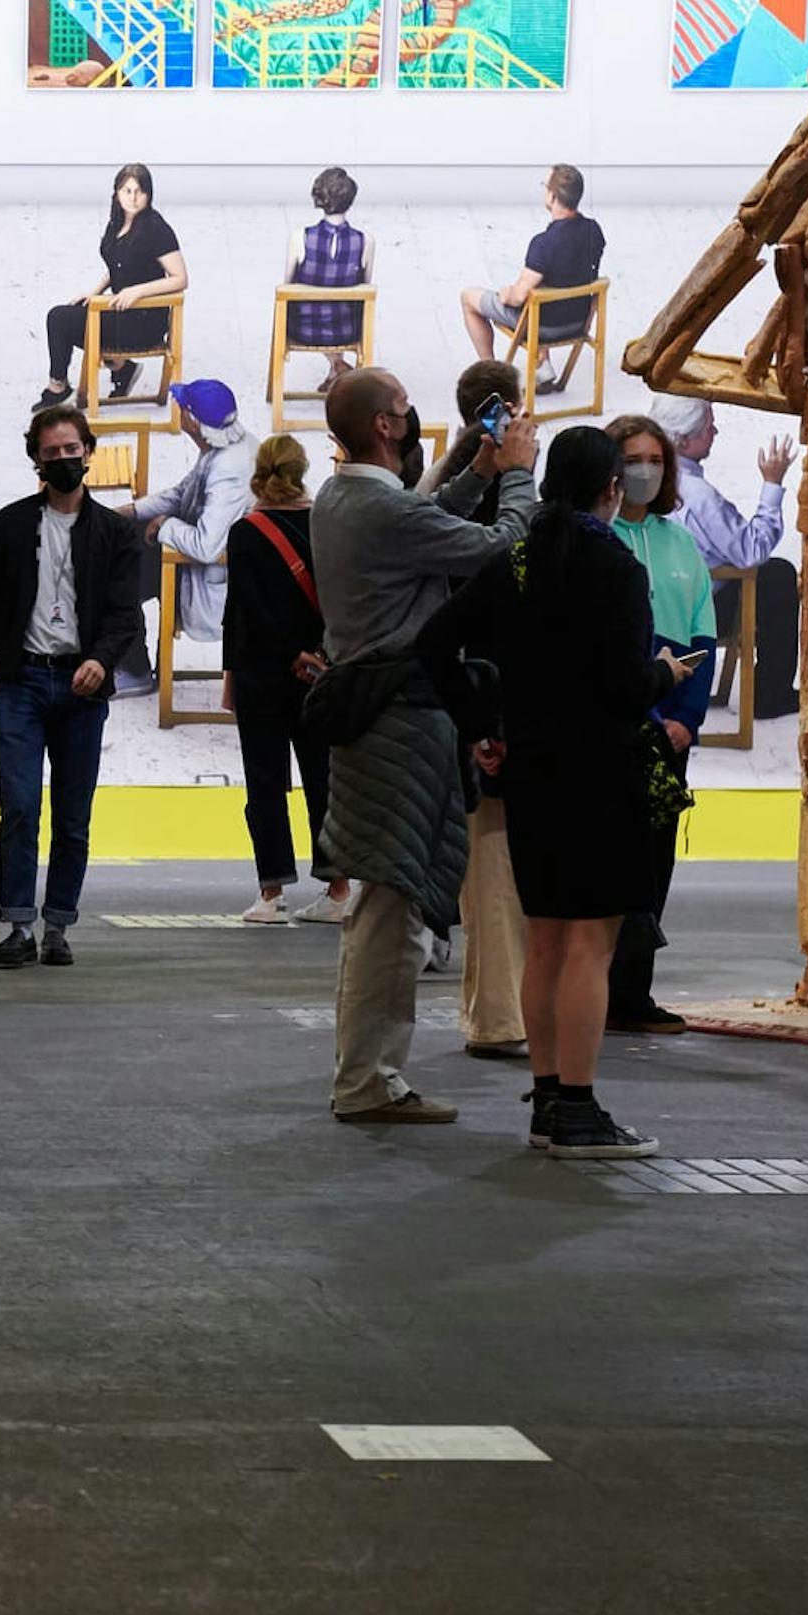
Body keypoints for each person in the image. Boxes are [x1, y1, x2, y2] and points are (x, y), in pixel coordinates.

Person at [422, 426, 690, 1159]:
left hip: (531, 772)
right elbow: (623, 685)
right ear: (611, 489)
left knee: (543, 940)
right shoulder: (616, 567)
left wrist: (481, 724)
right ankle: (577, 1107)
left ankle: (547, 1100)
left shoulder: (513, 561)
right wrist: (665, 674)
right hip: (603, 773)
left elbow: (434, 644)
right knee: (590, 946)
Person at [310, 367, 537, 1125]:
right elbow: (498, 547)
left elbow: (428, 520)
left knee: (386, 904)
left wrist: (481, 471)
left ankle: (368, 1073)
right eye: (405, 407)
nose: (413, 416)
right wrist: (519, 475)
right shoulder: (379, 506)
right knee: (392, 906)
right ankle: (367, 1079)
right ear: (384, 425)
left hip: (382, 711)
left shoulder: (343, 496)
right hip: (400, 718)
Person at [0, 404, 148, 967]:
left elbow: (126, 615)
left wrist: (102, 662)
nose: (63, 459)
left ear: (88, 452)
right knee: (19, 806)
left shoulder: (115, 532)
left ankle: (58, 924)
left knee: (72, 815)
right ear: (36, 460)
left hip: (83, 689)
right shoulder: (11, 523)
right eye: (51, 452)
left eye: (71, 449)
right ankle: (19, 925)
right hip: (22, 681)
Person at [428, 358, 536, 1058]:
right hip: (490, 707)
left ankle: (504, 1013)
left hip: (480, 706)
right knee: (495, 879)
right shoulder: (488, 510)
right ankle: (500, 1017)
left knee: (494, 880)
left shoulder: (439, 487)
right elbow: (508, 555)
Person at [603, 411, 721, 1035]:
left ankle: (633, 994)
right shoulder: (599, 539)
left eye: (654, 460)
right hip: (615, 726)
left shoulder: (682, 545)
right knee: (608, 863)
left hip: (669, 732)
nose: (644, 471)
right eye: (632, 461)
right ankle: (593, 991)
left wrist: (686, 721)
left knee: (654, 862)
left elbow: (703, 636)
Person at [226, 433, 347, 927]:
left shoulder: (246, 532)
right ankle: (338, 890)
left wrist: (234, 673)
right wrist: (317, 653)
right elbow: (341, 598)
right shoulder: (327, 525)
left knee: (265, 783)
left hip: (261, 675)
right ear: (302, 469)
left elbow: (243, 612)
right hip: (318, 673)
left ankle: (271, 893)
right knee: (324, 779)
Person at [650, 390, 800, 721]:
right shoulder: (695, 494)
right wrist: (772, 484)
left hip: (660, 603)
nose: (715, 432)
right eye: (708, 427)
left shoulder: (649, 479)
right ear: (683, 440)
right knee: (778, 576)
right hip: (694, 610)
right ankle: (771, 694)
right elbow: (752, 550)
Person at [132, 377, 254, 672]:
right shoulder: (224, 445)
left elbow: (206, 546)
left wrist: (164, 525)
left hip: (207, 575)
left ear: (193, 420)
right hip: (194, 556)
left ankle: (133, 669)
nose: (176, 407)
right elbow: (181, 494)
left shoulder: (228, 469)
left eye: (182, 406)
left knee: (118, 574)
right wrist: (131, 512)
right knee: (118, 537)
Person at [42, 162, 189, 405]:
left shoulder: (156, 228)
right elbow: (118, 266)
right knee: (70, 312)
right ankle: (121, 369)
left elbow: (181, 278)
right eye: (127, 191)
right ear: (117, 193)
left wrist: (137, 291)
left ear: (149, 195)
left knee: (59, 319)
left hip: (143, 319)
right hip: (120, 309)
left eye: (139, 191)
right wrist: (95, 292)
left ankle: (58, 387)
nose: (133, 197)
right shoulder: (117, 221)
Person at [463, 162, 608, 366]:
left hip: (543, 328)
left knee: (468, 298)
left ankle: (490, 371)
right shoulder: (594, 231)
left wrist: (506, 294)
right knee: (545, 286)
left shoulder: (544, 243)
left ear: (552, 196)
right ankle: (543, 365)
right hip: (579, 323)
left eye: (545, 186)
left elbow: (518, 297)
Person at [284, 165, 372, 398]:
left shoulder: (300, 237)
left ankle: (336, 367)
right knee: (345, 304)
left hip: (305, 329)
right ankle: (337, 366)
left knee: (290, 303)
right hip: (346, 330)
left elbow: (288, 287)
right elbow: (363, 289)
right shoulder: (365, 241)